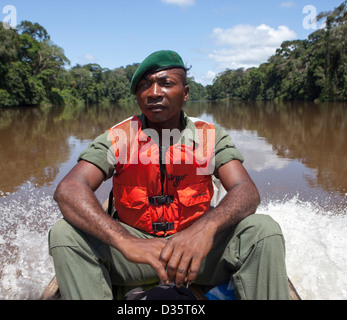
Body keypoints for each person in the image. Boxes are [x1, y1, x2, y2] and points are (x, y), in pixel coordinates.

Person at [48, 50, 290, 300]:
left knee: (263, 230)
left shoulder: (207, 136)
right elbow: (69, 189)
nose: (153, 93)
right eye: (144, 85)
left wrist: (205, 229)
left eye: (165, 83)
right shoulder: (120, 136)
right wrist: (125, 241)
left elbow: (246, 191)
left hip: (198, 252)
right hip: (135, 254)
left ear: (185, 93)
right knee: (65, 234)